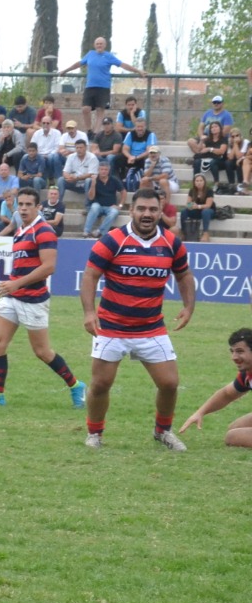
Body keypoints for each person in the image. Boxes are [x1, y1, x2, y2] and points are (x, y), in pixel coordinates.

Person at [80, 189, 195, 451]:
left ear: (160, 211)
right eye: (141, 209)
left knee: (169, 383)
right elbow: (90, 276)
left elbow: (184, 275)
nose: (147, 214)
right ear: (131, 210)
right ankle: (94, 433)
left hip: (151, 327)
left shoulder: (171, 243)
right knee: (100, 384)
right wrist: (89, 312)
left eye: (152, 210)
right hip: (111, 326)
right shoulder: (113, 240)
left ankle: (162, 431)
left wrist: (189, 307)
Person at [0, 188, 86, 408]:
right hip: (12, 296)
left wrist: (16, 283)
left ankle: (75, 385)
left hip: (33, 299)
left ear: (38, 207)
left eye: (28, 205)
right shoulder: (21, 231)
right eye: (20, 204)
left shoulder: (43, 231)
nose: (23, 208)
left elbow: (49, 267)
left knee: (42, 352)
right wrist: (13, 285)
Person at [179, 328, 252, 448]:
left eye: (240, 351)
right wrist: (200, 413)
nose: (234, 357)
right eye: (232, 351)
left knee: (232, 437)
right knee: (235, 428)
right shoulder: (247, 375)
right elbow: (227, 394)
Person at [57, 37, 146, 129]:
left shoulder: (109, 56)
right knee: (85, 109)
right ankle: (89, 130)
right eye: (97, 44)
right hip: (90, 86)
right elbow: (78, 64)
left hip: (103, 87)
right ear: (95, 45)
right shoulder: (90, 54)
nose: (99, 45)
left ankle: (96, 132)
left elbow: (123, 65)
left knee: (100, 110)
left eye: (101, 44)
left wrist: (138, 71)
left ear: (104, 45)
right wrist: (65, 70)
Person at [83, 161, 125, 238]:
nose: (103, 171)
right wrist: (93, 184)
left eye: (106, 169)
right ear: (98, 170)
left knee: (114, 212)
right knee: (94, 207)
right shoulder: (93, 180)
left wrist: (120, 205)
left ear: (108, 171)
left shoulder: (114, 180)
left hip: (110, 206)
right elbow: (91, 197)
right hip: (97, 205)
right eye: (101, 169)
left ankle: (99, 231)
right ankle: (86, 231)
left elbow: (123, 191)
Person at [181, 173, 217, 242]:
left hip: (209, 211)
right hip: (197, 211)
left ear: (204, 182)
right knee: (184, 211)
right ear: (194, 182)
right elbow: (187, 204)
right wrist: (190, 205)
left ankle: (205, 233)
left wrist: (198, 206)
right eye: (197, 181)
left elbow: (208, 205)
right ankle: (183, 233)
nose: (199, 183)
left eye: (201, 181)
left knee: (205, 211)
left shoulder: (209, 190)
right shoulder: (192, 191)